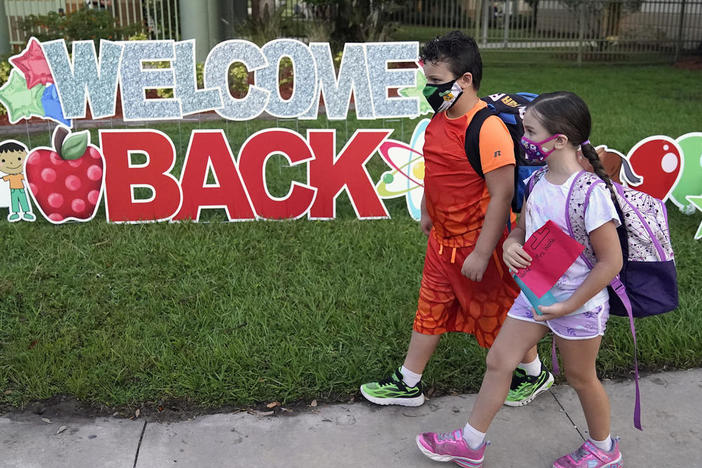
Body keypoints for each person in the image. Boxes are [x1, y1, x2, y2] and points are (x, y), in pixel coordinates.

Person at [416, 91, 624, 468]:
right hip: (535, 294)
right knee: (499, 360)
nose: (522, 139)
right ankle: (470, 442)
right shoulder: (539, 181)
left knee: (581, 378)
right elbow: (522, 228)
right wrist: (512, 245)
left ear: (558, 140)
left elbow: (611, 263)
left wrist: (568, 305)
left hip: (579, 305)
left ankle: (604, 449)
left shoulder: (591, 195)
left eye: (529, 132)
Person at [360, 31, 552, 409]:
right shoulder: (439, 119)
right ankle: (408, 382)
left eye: (435, 81)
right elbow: (435, 168)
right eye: (427, 80)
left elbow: (500, 195)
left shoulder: (487, 128)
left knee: (495, 315)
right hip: (442, 241)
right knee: (429, 308)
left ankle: (535, 374)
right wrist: (429, 211)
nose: (429, 89)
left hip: (479, 242)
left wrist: (482, 253)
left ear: (465, 80)